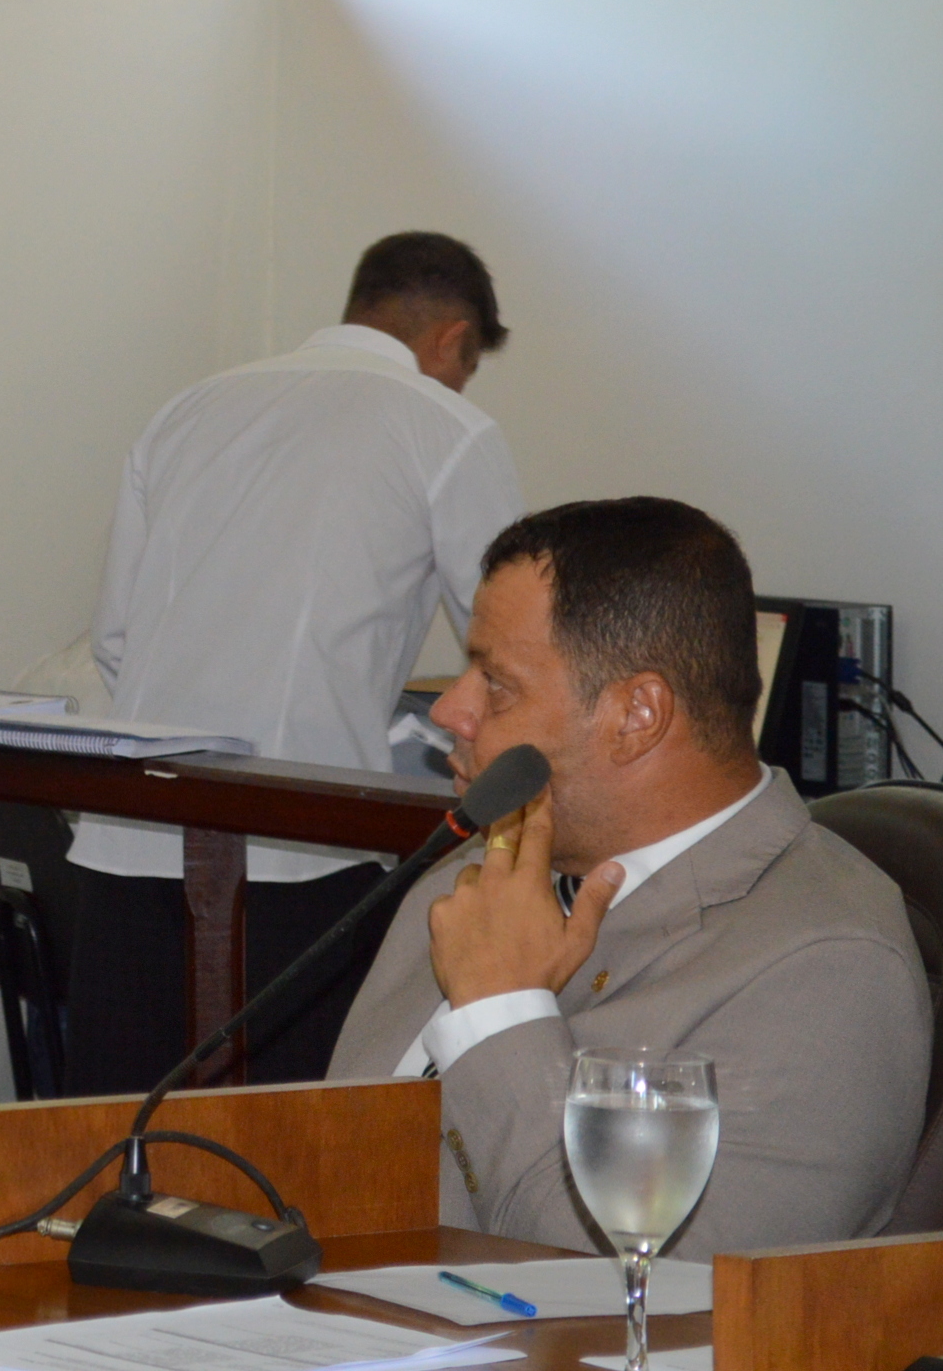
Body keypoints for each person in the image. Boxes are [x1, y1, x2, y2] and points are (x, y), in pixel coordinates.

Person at [330, 498, 927, 1254]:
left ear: (636, 715)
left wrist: (499, 1008)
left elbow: (649, 1292)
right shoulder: (472, 875)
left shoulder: (828, 961)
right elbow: (323, 1165)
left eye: (495, 681)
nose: (449, 709)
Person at [69, 233, 524, 1092]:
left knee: (117, 1149)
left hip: (125, 842)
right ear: (450, 339)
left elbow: (114, 638)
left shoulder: (190, 407)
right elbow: (516, 647)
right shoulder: (446, 426)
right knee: (277, 1165)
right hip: (295, 856)